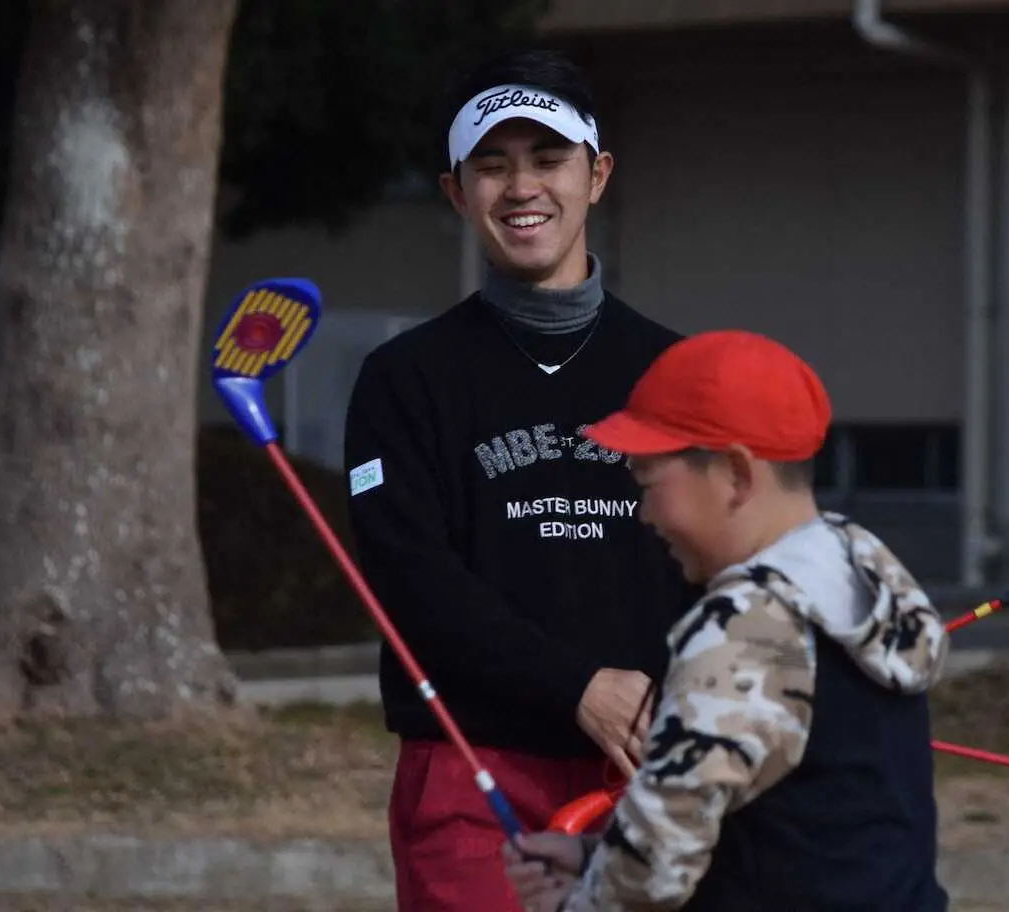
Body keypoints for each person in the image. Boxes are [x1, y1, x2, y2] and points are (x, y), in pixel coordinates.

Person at [342, 47, 697, 912]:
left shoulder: (676, 372)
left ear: (597, 175)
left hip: (644, 768)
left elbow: (723, 561)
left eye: (548, 159)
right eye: (492, 166)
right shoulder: (404, 378)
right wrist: (577, 686)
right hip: (471, 769)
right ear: (457, 192)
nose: (522, 186)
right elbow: (410, 580)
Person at [502, 330, 952, 911]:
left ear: (737, 474)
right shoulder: (856, 576)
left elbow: (658, 864)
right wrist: (596, 860)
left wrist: (575, 904)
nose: (643, 514)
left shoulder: (745, 628)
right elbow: (797, 828)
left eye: (648, 483)